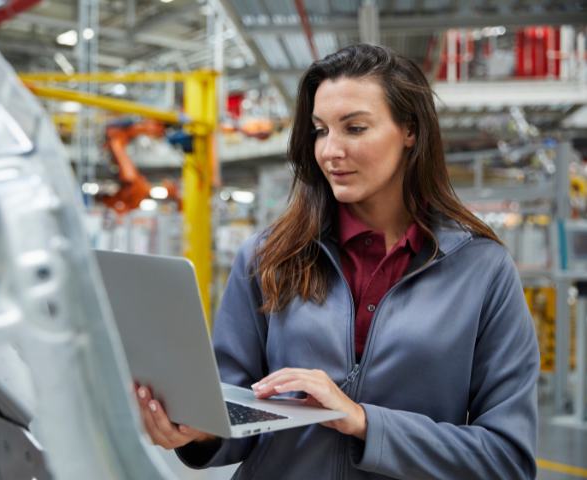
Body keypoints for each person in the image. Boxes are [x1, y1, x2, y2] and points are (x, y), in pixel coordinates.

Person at [134, 44, 539, 479]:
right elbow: (235, 411)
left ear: (411, 131)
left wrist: (366, 422)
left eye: (355, 128)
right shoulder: (266, 256)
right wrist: (196, 431)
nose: (330, 150)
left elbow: (506, 459)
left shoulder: (482, 269)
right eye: (321, 130)